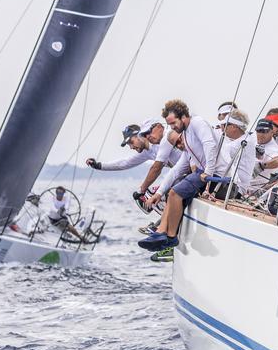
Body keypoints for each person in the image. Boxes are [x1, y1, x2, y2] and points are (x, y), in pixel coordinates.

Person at [139, 100, 218, 259]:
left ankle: (170, 237)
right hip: (203, 173)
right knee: (171, 193)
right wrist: (159, 193)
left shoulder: (197, 123)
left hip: (213, 173)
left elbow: (210, 144)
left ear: (183, 116)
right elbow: (178, 168)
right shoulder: (186, 133)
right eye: (170, 124)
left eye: (174, 123)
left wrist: (208, 170)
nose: (172, 127)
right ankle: (162, 233)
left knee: (175, 193)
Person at [85, 119, 165, 172]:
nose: (131, 147)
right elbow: (124, 163)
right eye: (128, 145)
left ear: (139, 136)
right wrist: (98, 165)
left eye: (131, 142)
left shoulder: (159, 141)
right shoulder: (145, 153)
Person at [209, 109, 254, 200]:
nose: (222, 128)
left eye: (225, 125)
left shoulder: (243, 143)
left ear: (234, 127)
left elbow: (216, 152)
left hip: (235, 190)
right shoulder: (247, 139)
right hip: (232, 186)